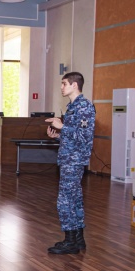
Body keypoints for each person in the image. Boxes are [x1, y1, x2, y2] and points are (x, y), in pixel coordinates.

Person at [46, 72, 95, 255]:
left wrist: (62, 126)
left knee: (65, 200)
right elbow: (73, 136)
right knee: (74, 199)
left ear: (75, 85)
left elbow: (84, 136)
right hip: (69, 158)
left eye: (64, 83)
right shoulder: (72, 107)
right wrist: (58, 135)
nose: (61, 87)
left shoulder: (84, 106)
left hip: (74, 161)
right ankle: (78, 239)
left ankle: (70, 241)